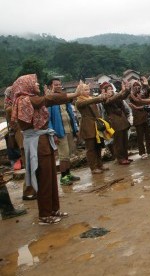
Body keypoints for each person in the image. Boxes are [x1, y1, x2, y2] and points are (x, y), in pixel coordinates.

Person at [11, 74, 82, 224]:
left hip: (43, 140)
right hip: (37, 143)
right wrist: (74, 94)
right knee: (44, 179)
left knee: (51, 178)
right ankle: (44, 214)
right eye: (34, 83)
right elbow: (49, 100)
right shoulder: (24, 100)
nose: (37, 85)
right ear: (26, 85)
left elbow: (48, 99)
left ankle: (54, 209)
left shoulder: (29, 99)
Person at [46, 78, 81, 185]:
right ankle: (63, 177)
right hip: (59, 132)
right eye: (55, 84)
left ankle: (68, 174)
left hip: (69, 129)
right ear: (50, 86)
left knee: (68, 153)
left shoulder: (64, 99)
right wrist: (53, 134)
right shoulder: (49, 100)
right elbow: (48, 119)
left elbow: (71, 114)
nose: (58, 86)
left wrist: (75, 129)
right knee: (63, 155)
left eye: (59, 84)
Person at [76, 82, 110, 174]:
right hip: (87, 126)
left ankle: (100, 164)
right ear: (80, 91)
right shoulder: (79, 101)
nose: (88, 91)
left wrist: (104, 96)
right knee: (90, 148)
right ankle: (93, 167)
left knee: (98, 146)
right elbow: (90, 101)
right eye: (85, 90)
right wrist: (98, 98)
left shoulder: (91, 98)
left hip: (96, 125)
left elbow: (97, 100)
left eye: (88, 89)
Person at [102, 82, 131, 165]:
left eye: (111, 88)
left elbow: (123, 96)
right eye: (108, 89)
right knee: (118, 141)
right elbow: (111, 100)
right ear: (105, 91)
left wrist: (127, 89)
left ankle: (125, 157)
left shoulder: (116, 97)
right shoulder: (105, 99)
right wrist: (121, 91)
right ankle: (120, 158)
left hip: (122, 120)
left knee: (124, 140)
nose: (110, 90)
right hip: (114, 122)